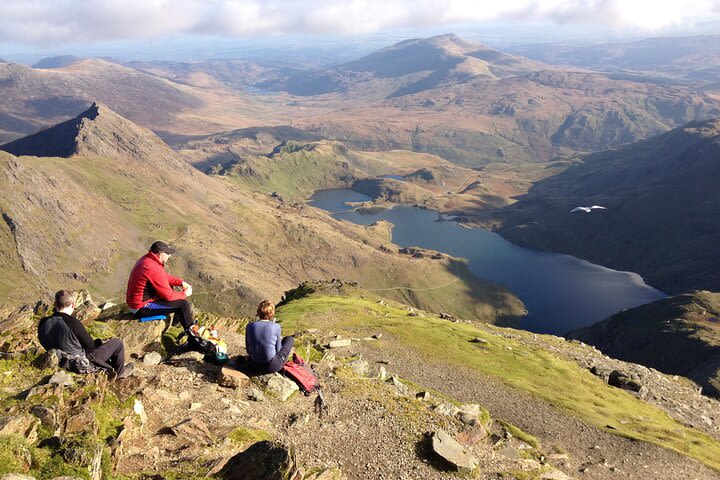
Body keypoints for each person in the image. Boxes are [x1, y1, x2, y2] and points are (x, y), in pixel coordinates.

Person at [38, 290, 133, 379]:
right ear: (73, 305)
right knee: (117, 343)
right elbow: (90, 346)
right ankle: (120, 373)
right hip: (80, 361)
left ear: (55, 304)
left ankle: (112, 366)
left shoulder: (43, 322)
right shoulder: (73, 323)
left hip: (57, 358)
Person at [126, 241, 196, 330]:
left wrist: (180, 282)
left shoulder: (148, 259)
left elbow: (162, 276)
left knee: (171, 288)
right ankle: (192, 332)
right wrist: (185, 294)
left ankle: (179, 320)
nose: (169, 256)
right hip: (141, 307)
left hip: (136, 302)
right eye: (167, 253)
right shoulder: (152, 267)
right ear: (161, 254)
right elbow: (169, 296)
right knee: (183, 305)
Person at [245, 300, 294, 374]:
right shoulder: (276, 326)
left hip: (252, 364)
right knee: (289, 339)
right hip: (271, 366)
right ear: (271, 314)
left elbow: (248, 350)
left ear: (258, 312)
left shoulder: (249, 326)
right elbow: (278, 350)